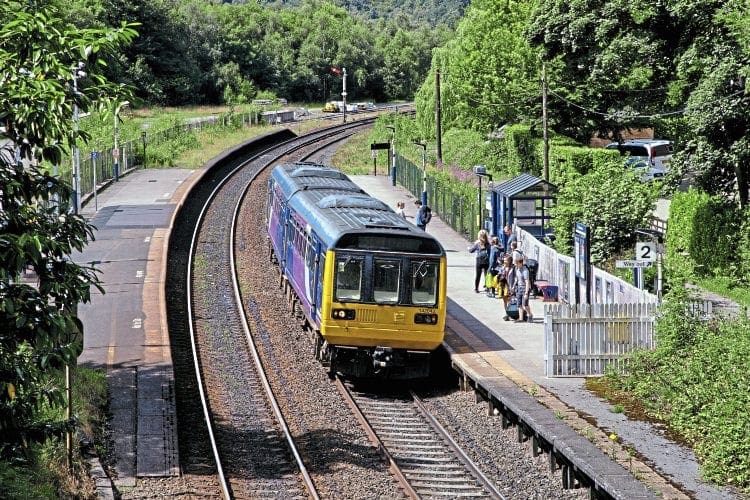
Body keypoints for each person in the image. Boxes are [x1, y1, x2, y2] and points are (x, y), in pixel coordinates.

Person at [512, 255, 533, 322]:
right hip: (519, 288)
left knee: (525, 304)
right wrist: (513, 286)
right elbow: (516, 279)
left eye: (516, 263)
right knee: (519, 304)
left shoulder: (525, 271)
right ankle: (521, 318)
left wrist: (526, 293)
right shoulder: (517, 269)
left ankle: (530, 315)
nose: (515, 265)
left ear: (520, 263)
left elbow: (527, 282)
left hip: (524, 289)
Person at [498, 255, 514, 320]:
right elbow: (499, 274)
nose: (504, 261)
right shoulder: (502, 268)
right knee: (505, 301)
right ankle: (506, 313)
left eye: (506, 260)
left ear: (509, 261)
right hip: (503, 286)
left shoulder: (513, 268)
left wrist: (514, 287)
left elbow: (515, 278)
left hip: (510, 286)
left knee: (510, 301)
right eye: (504, 260)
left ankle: (511, 313)